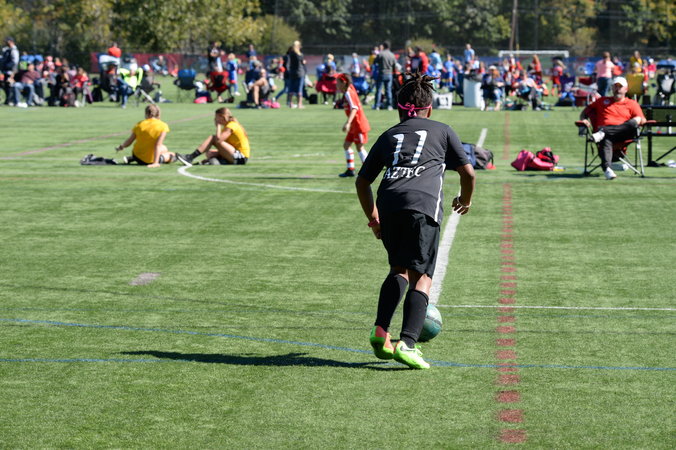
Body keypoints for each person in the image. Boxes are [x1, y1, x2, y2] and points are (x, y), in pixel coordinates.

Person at [355, 72, 475, 369]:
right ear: (429, 109)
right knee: (422, 277)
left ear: (399, 109)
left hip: (389, 204)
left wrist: (374, 219)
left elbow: (362, 181)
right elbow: (468, 173)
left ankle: (380, 331)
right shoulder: (443, 130)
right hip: (422, 206)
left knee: (398, 269)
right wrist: (465, 200)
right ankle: (408, 343)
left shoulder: (388, 135)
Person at [579, 76, 646, 180]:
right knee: (606, 138)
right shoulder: (602, 101)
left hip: (624, 134)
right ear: (611, 88)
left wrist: (638, 120)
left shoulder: (632, 103)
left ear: (626, 89)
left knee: (634, 121)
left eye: (620, 87)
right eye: (615, 86)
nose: (617, 89)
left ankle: (603, 132)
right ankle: (607, 170)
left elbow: (643, 120)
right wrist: (583, 119)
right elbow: (585, 111)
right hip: (606, 137)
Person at [176, 107, 250, 166]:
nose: (215, 119)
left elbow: (218, 140)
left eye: (216, 117)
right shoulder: (228, 126)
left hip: (241, 157)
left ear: (222, 117)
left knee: (213, 138)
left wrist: (218, 126)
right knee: (209, 153)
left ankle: (190, 157)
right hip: (236, 155)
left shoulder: (231, 125)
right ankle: (220, 161)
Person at [335, 73, 371, 178]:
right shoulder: (348, 90)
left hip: (358, 124)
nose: (336, 85)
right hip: (353, 126)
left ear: (343, 83)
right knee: (346, 145)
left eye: (338, 82)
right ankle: (350, 170)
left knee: (360, 147)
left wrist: (348, 123)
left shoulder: (348, 93)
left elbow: (354, 108)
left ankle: (369, 170)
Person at [373, 40, 396, 110]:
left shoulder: (381, 54)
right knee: (388, 90)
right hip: (389, 74)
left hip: (381, 73)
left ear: (383, 46)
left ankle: (377, 105)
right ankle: (389, 105)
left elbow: (375, 62)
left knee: (379, 90)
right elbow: (394, 65)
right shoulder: (392, 55)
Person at [286, 40, 306, 108]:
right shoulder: (300, 55)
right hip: (300, 72)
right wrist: (304, 62)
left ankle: (290, 103)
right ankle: (299, 104)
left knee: (291, 88)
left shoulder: (291, 54)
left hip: (292, 73)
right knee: (299, 89)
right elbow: (302, 63)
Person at [2, 37, 20, 105]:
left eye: (7, 41)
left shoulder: (14, 50)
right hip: (6, 71)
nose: (6, 42)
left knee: (10, 86)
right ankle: (8, 100)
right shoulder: (7, 50)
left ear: (11, 42)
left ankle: (11, 100)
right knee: (6, 86)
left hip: (11, 72)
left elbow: (15, 61)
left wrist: (7, 67)